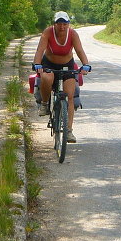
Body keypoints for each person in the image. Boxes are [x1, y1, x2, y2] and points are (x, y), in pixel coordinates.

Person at [32, 11, 91, 143]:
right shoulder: (48, 32)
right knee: (46, 79)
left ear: (68, 24)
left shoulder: (73, 34)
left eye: (65, 24)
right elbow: (40, 50)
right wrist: (37, 63)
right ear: (55, 24)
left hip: (67, 65)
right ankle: (45, 104)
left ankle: (69, 131)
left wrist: (86, 65)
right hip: (49, 63)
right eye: (59, 24)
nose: (62, 27)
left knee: (69, 95)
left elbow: (80, 50)